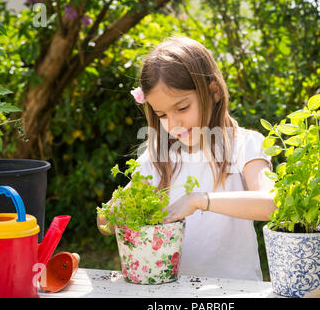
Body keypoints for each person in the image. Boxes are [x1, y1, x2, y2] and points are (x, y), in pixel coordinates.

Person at [97, 36, 277, 281]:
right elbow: (105, 224)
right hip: (169, 290)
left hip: (236, 290)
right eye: (161, 115)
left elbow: (274, 204)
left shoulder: (243, 145)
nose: (174, 123)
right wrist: (112, 214)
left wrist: (198, 200)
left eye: (182, 108)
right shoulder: (160, 158)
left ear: (213, 92)